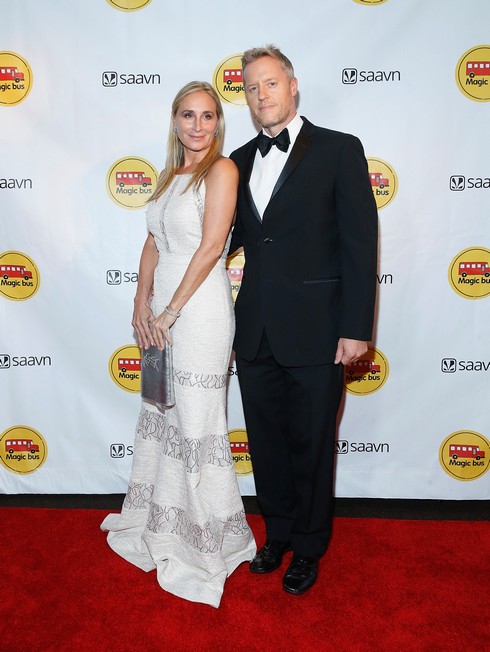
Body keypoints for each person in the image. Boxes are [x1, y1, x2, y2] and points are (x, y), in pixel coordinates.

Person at [229, 46, 378, 595]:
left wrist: (357, 326)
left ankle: (310, 547)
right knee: (266, 442)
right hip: (255, 331)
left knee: (312, 444)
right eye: (250, 87)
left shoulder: (340, 150)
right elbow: (223, 242)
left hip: (319, 329)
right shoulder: (237, 161)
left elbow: (360, 246)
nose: (260, 95)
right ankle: (278, 533)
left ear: (293, 86)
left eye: (269, 83)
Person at [101, 81, 256, 609]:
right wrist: (142, 303)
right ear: (174, 120)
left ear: (218, 123)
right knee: (164, 415)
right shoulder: (171, 175)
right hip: (161, 312)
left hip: (199, 313)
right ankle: (163, 523)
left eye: (207, 116)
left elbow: (213, 246)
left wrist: (170, 310)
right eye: (187, 115)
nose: (197, 125)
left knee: (196, 420)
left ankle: (211, 540)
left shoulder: (223, 170)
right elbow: (152, 242)